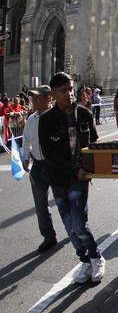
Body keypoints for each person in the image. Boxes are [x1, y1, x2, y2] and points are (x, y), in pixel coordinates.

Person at [38, 72, 105, 284]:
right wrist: (72, 169)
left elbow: (94, 142)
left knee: (79, 224)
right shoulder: (46, 120)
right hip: (58, 179)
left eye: (70, 88)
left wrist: (87, 168)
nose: (69, 94)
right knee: (69, 227)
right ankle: (84, 260)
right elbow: (49, 154)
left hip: (80, 177)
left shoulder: (84, 114)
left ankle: (96, 257)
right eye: (64, 90)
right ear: (54, 93)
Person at [22, 85, 59, 252]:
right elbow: (26, 140)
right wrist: (25, 157)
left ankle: (76, 230)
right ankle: (48, 236)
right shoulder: (31, 119)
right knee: (40, 204)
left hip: (55, 166)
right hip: (38, 165)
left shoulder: (56, 116)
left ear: (47, 98)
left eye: (37, 97)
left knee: (63, 201)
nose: (33, 101)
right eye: (32, 98)